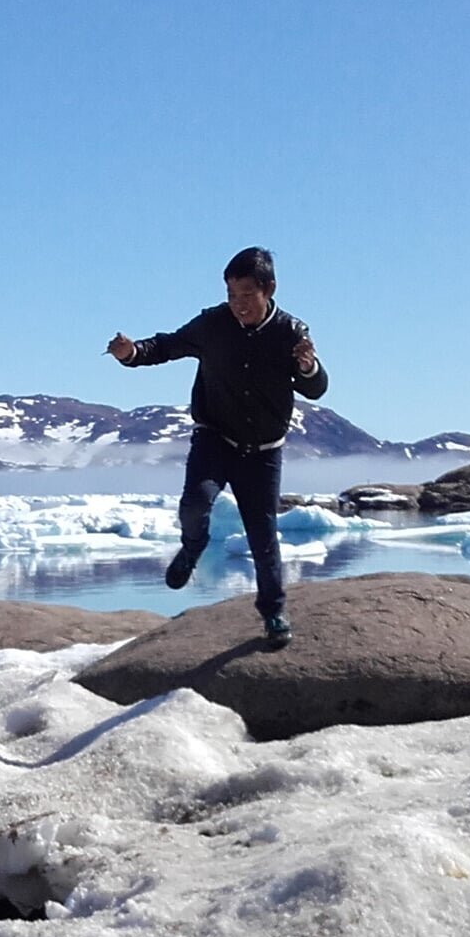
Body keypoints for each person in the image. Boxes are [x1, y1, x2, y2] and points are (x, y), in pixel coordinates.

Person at [107, 246, 327, 649]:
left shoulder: (291, 333)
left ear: (269, 289)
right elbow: (167, 346)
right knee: (194, 503)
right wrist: (132, 353)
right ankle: (193, 547)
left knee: (264, 537)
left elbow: (315, 388)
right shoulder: (212, 324)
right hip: (215, 438)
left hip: (263, 451)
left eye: (246, 295)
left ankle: (274, 611)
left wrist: (307, 367)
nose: (237, 304)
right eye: (231, 295)